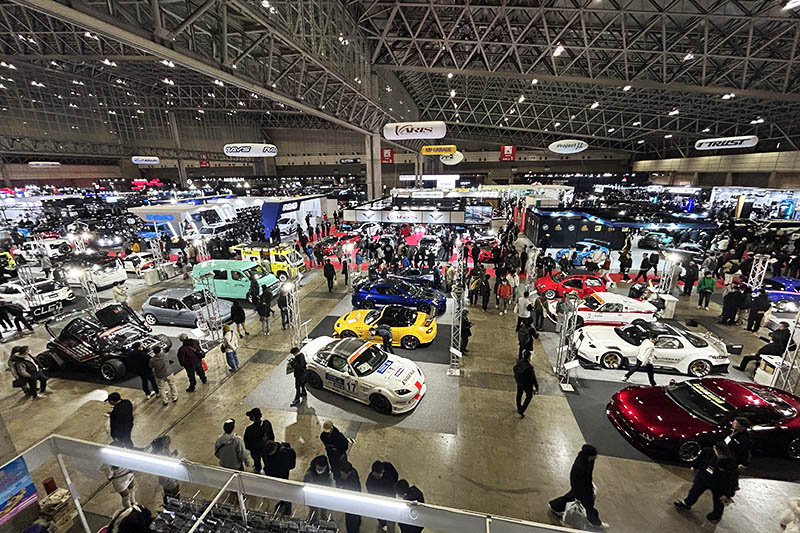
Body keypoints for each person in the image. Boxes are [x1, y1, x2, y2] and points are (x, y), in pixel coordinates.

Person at [674, 442, 739, 522]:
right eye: (718, 453)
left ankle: (717, 514)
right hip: (703, 478)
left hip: (719, 484)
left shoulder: (731, 462)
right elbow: (700, 460)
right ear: (714, 448)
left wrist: (728, 494)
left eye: (722, 454)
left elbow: (733, 479)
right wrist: (694, 466)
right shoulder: (707, 452)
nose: (720, 456)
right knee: (694, 491)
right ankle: (687, 503)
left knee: (718, 500)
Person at [548, 444, 607, 529]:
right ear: (589, 456)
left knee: (572, 496)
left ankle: (555, 506)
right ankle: (596, 523)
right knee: (589, 506)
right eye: (594, 455)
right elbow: (580, 482)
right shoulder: (580, 467)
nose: (596, 457)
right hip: (580, 486)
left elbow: (588, 475)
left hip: (582, 485)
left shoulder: (588, 460)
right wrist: (588, 492)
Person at [366, 461, 399, 532]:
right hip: (380, 502)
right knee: (379, 513)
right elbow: (371, 495)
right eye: (377, 475)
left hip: (390, 497)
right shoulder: (370, 482)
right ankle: (383, 524)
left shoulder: (388, 468)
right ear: (373, 473)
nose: (378, 476)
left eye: (380, 474)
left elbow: (396, 476)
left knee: (391, 515)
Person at [304, 455, 334, 522]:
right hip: (312, 495)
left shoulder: (328, 474)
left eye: (322, 468)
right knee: (314, 510)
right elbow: (306, 483)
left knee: (324, 509)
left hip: (323, 495)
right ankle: (312, 521)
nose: (320, 469)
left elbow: (330, 483)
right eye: (318, 467)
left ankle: (323, 518)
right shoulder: (309, 474)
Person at [243, 408, 274, 474]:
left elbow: (247, 444)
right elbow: (272, 437)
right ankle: (267, 470)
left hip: (255, 451)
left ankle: (257, 469)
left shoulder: (249, 429)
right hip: (266, 448)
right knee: (267, 461)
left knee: (257, 461)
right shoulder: (267, 423)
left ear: (253, 418)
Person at [150, 436, 180, 503]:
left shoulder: (162, 451)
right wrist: (173, 456)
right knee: (173, 495)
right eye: (167, 443)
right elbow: (168, 463)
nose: (168, 445)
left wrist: (172, 454)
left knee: (170, 493)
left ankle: (169, 501)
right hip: (169, 480)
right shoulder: (161, 455)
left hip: (167, 480)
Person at [337, 461, 362, 533]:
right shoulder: (353, 471)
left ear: (348, 473)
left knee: (352, 521)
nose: (341, 476)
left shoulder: (352, 484)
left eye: (342, 474)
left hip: (352, 504)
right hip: (355, 503)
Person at [513, 350, 538, 417]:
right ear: (529, 357)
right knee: (529, 396)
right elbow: (533, 378)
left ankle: (518, 407)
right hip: (527, 384)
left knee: (519, 394)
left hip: (519, 381)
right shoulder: (529, 368)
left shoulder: (519, 362)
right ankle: (522, 410)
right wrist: (536, 387)